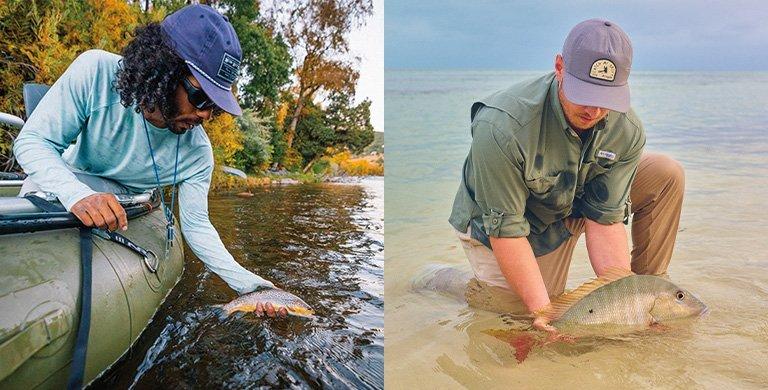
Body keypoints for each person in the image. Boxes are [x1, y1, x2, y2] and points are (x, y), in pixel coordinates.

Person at [13, 4, 288, 317]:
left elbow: (197, 225)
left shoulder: (198, 154)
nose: (205, 114)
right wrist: (78, 195)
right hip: (71, 184)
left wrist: (252, 286)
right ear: (165, 69)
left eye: (214, 106)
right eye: (200, 97)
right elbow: (33, 141)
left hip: (133, 206)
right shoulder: (96, 72)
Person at [448, 19, 685, 333]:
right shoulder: (500, 127)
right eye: (584, 94)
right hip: (510, 225)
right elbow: (506, 231)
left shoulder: (627, 129)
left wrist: (630, 303)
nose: (593, 111)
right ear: (559, 67)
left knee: (666, 173)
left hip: (573, 201)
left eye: (605, 99)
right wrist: (543, 310)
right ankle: (441, 281)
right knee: (524, 318)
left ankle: (651, 290)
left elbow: (605, 219)